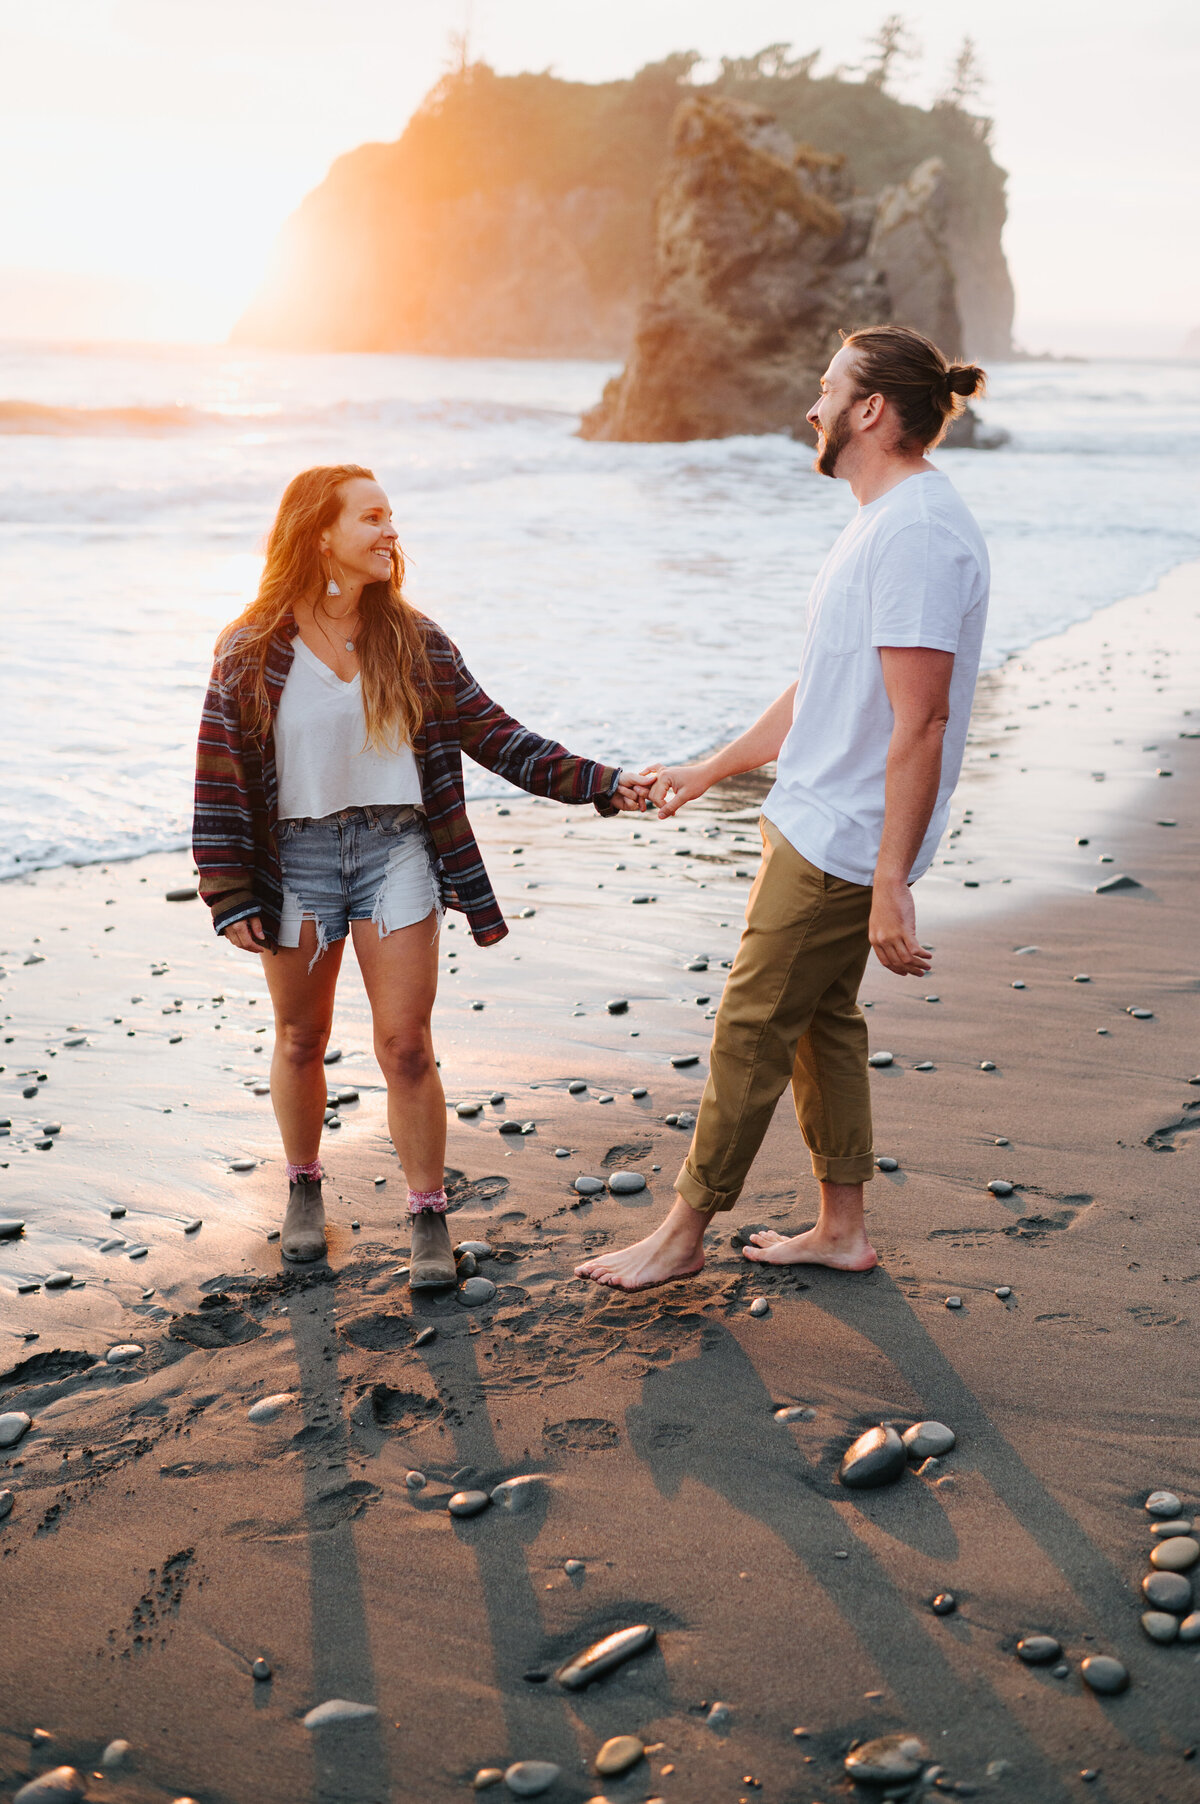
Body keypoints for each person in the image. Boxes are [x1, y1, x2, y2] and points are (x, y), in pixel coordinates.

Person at [576, 325, 990, 1292]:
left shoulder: (919, 532)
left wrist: (891, 879)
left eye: (827, 387)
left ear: (870, 410)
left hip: (843, 835)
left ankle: (680, 1235)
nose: (812, 404)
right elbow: (826, 686)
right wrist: (714, 768)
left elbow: (920, 722)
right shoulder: (884, 519)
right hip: (822, 815)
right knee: (820, 1022)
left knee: (751, 1026)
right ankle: (841, 1229)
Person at [194, 463, 643, 1276]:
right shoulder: (251, 648)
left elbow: (500, 737)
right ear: (319, 532)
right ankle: (303, 1188)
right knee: (302, 1037)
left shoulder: (415, 639)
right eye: (371, 518)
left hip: (396, 849)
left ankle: (428, 1215)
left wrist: (604, 784)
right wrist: (226, 890)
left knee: (405, 1046)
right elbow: (218, 773)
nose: (390, 531)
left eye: (391, 516)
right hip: (293, 859)